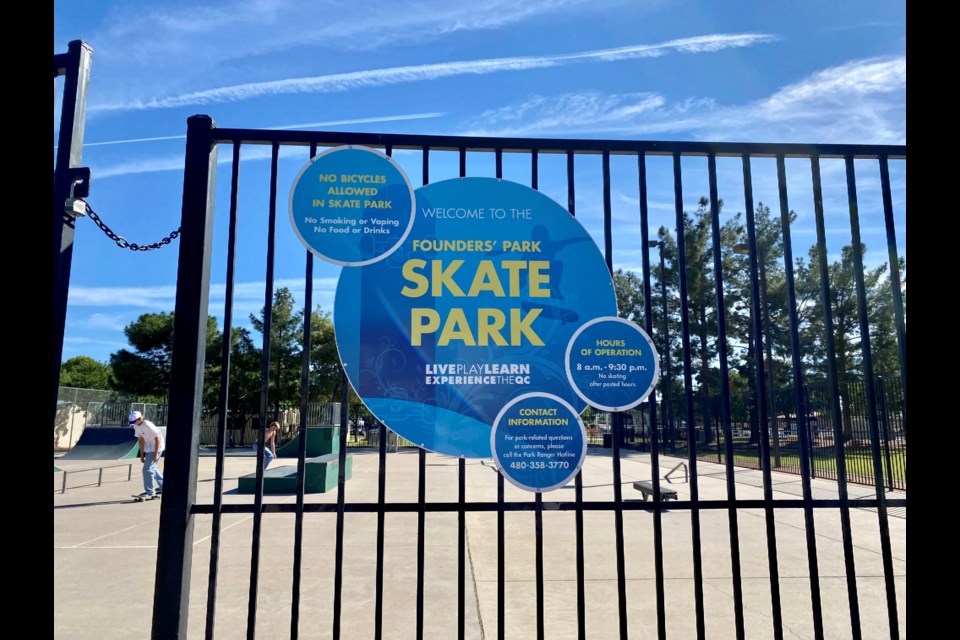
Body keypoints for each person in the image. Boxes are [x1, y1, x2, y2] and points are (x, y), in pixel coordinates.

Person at [129, 411, 164, 498]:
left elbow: (157, 439)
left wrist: (155, 454)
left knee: (147, 470)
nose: (133, 424)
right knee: (153, 469)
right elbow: (140, 440)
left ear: (140, 419)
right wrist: (141, 455)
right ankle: (164, 487)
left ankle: (150, 492)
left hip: (157, 447)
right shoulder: (136, 426)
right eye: (132, 423)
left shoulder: (148, 425)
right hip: (149, 449)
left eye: (134, 422)